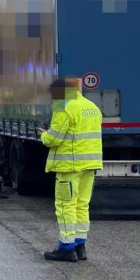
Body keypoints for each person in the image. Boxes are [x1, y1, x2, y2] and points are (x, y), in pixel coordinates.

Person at [38, 78, 103, 262]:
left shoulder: (64, 108)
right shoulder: (91, 107)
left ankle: (66, 248)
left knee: (66, 206)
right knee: (82, 205)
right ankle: (80, 246)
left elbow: (54, 139)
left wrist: (43, 134)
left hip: (70, 166)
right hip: (90, 165)